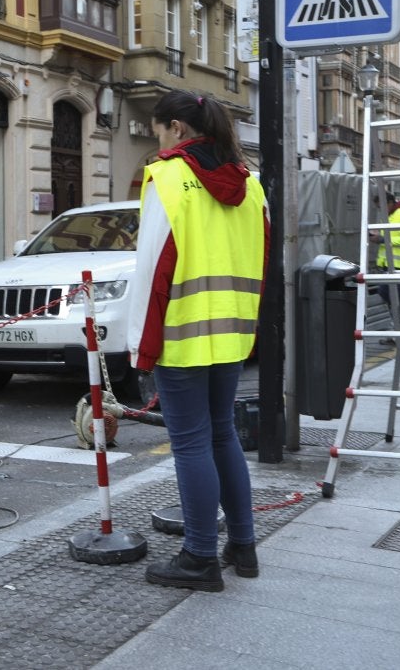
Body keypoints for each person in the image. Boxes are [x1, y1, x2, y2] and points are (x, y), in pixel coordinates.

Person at [124, 90, 268, 591]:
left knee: (189, 443)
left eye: (158, 130)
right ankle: (243, 547)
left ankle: (200, 558)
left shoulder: (166, 177)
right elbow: (263, 261)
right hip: (232, 333)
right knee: (222, 433)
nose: (156, 139)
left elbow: (152, 270)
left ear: (177, 130)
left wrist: (139, 345)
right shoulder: (251, 186)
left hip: (182, 332)